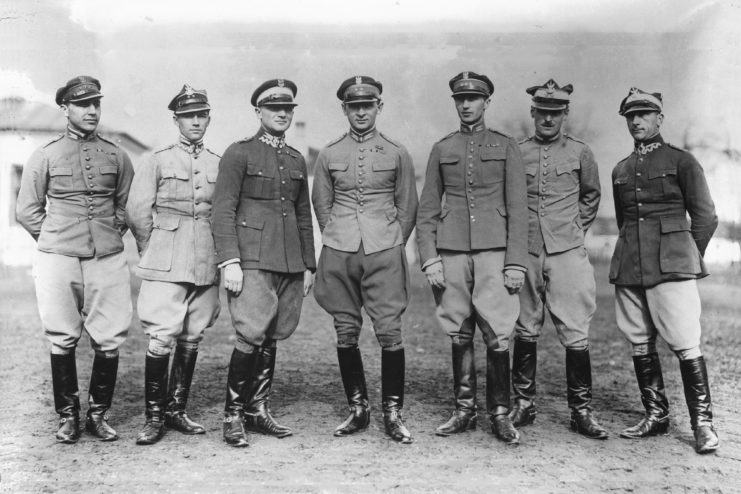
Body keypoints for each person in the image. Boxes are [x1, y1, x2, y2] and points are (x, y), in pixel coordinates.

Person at [16, 75, 134, 443]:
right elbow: (27, 210)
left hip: (107, 257)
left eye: (96, 103)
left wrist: (107, 234)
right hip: (58, 258)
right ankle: (68, 415)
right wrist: (52, 240)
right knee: (62, 337)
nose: (92, 110)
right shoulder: (46, 155)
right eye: (83, 104)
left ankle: (98, 415)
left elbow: (125, 207)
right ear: (65, 108)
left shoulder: (117, 155)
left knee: (110, 337)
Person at [416, 71, 528, 445]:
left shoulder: (505, 145)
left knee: (498, 332)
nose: (466, 104)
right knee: (458, 329)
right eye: (460, 99)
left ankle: (499, 412)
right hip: (451, 252)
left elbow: (519, 208)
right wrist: (429, 257)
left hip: (495, 252)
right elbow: (428, 208)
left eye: (474, 98)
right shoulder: (442, 148)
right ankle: (464, 410)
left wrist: (515, 262)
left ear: (486, 102)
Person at [611, 87, 719, 454]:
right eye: (630, 116)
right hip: (630, 266)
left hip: (671, 268)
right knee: (639, 340)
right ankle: (655, 415)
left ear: (660, 118)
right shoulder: (621, 169)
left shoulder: (682, 161)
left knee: (686, 342)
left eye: (644, 114)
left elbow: (705, 216)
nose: (636, 121)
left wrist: (685, 255)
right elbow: (627, 220)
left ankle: (703, 424)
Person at [312, 76, 418, 444]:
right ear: (344, 109)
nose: (361, 112)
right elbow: (321, 205)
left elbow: (408, 206)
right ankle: (358, 408)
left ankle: (392, 412)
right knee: (345, 329)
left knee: (389, 330)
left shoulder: (396, 152)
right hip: (340, 249)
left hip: (383, 249)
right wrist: (339, 234)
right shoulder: (329, 153)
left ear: (379, 107)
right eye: (354, 106)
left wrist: (391, 241)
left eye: (367, 105)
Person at [211, 78, 315, 448]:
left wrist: (309, 265)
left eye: (287, 109)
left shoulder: (295, 159)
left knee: (273, 334)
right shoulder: (239, 153)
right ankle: (233, 415)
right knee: (250, 333)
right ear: (259, 112)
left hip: (288, 261)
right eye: (274, 109)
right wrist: (230, 261)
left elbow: (303, 214)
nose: (282, 114)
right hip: (251, 259)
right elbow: (222, 210)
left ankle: (257, 409)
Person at [509, 79, 607, 440]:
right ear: (533, 113)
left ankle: (581, 410)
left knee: (576, 328)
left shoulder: (581, 152)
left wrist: (574, 229)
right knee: (525, 325)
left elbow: (591, 195)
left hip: (567, 251)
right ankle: (523, 403)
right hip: (528, 250)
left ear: (565, 114)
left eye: (555, 113)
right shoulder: (516, 151)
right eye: (542, 112)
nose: (548, 119)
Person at [126, 85, 221, 445]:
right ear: (176, 120)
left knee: (193, 333)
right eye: (188, 116)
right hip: (166, 256)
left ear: (208, 118)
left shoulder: (218, 161)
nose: (195, 121)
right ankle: (153, 417)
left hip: (205, 257)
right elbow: (137, 211)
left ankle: (176, 409)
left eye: (201, 115)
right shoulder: (157, 159)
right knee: (161, 334)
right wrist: (153, 247)